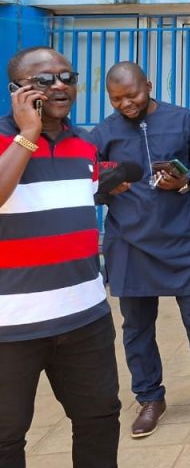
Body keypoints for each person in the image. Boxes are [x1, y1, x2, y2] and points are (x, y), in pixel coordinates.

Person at [88, 62, 190, 438]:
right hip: (129, 243)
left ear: (149, 85)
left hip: (185, 240)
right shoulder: (103, 132)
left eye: (132, 95)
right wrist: (106, 188)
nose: (126, 104)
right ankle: (149, 399)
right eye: (116, 99)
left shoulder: (183, 119)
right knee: (137, 328)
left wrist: (186, 180)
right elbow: (88, 184)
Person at [0, 47, 121, 467]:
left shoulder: (84, 143)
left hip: (85, 318)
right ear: (17, 90)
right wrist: (28, 134)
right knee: (5, 438)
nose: (60, 86)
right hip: (11, 328)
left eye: (67, 77)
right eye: (45, 79)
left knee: (99, 420)